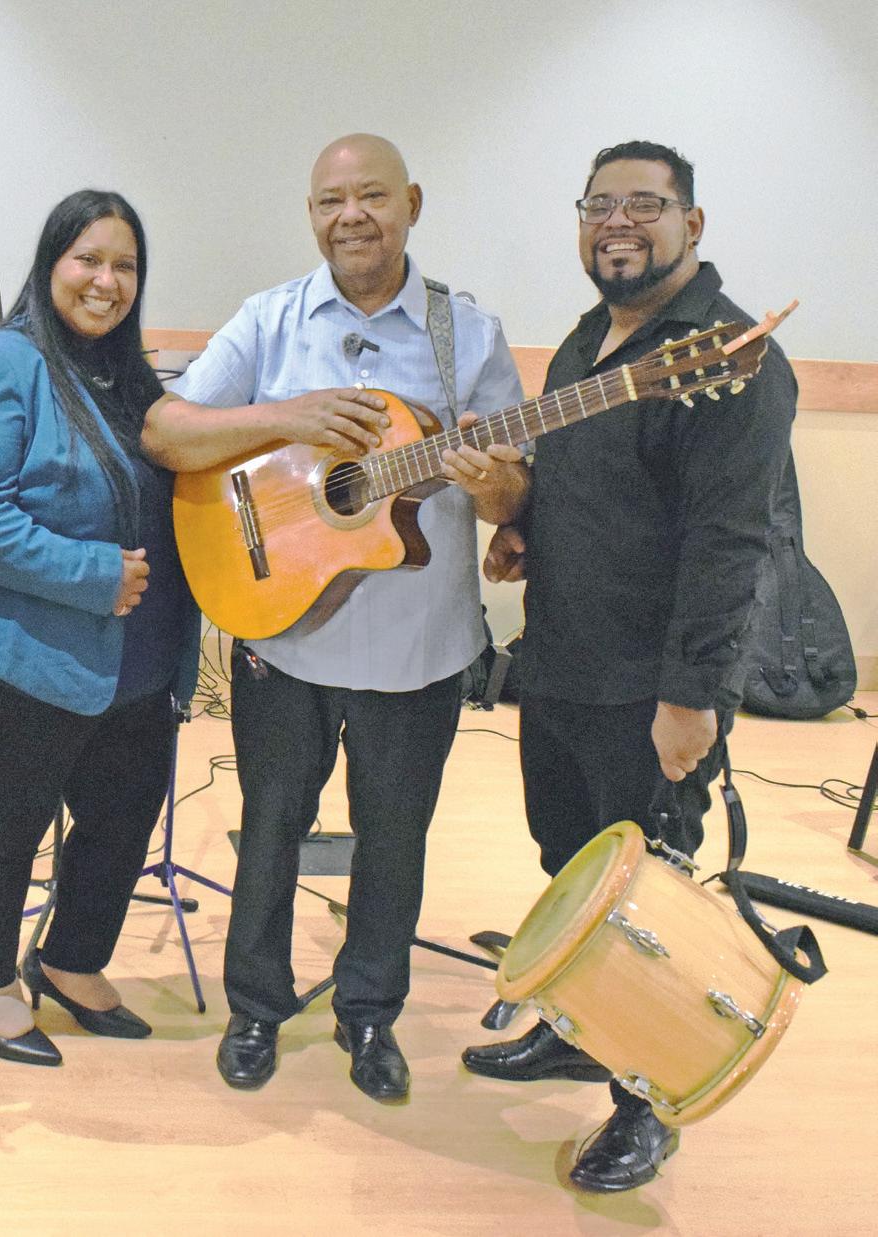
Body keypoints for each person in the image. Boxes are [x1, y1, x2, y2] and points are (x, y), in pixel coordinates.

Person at [142, 134, 524, 1101]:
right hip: (284, 634)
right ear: (312, 215)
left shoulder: (468, 336)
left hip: (419, 645)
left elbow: (513, 496)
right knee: (271, 825)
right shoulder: (269, 320)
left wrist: (493, 487)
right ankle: (255, 1008)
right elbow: (168, 430)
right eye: (330, 201)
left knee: (393, 840)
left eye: (373, 196)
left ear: (412, 204)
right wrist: (290, 418)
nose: (351, 216)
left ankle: (369, 1013)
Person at [458, 141, 797, 1193]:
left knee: (654, 908)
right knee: (571, 864)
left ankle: (649, 1106)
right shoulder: (584, 343)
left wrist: (692, 698)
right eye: (599, 204)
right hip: (563, 661)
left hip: (651, 686)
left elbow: (729, 541)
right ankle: (580, 1030)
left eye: (644, 205)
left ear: (692, 224)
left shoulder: (732, 358)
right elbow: (582, 488)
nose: (617, 222)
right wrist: (521, 525)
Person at [0, 189, 200, 1066]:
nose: (107, 281)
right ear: (50, 265)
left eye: (126, 266)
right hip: (18, 648)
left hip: (135, 657)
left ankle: (71, 961)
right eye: (89, 259)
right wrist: (92, 573)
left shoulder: (132, 377)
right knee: (10, 824)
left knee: (121, 819)